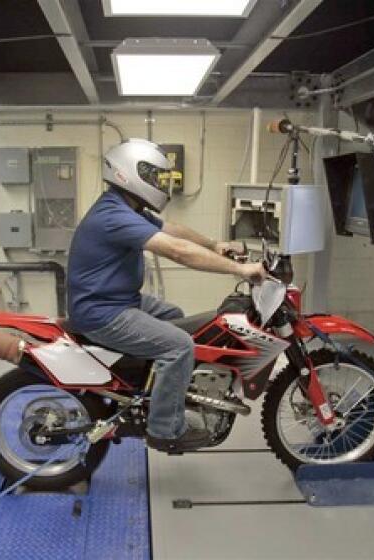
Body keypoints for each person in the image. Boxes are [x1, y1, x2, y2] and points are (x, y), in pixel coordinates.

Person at [67, 138, 265, 452]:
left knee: (174, 316)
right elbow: (177, 250)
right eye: (153, 176)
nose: (159, 183)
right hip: (102, 313)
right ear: (129, 173)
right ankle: (164, 429)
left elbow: (171, 229)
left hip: (119, 301)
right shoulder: (114, 216)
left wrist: (214, 244)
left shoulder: (124, 206)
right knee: (179, 346)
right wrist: (239, 270)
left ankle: (150, 392)